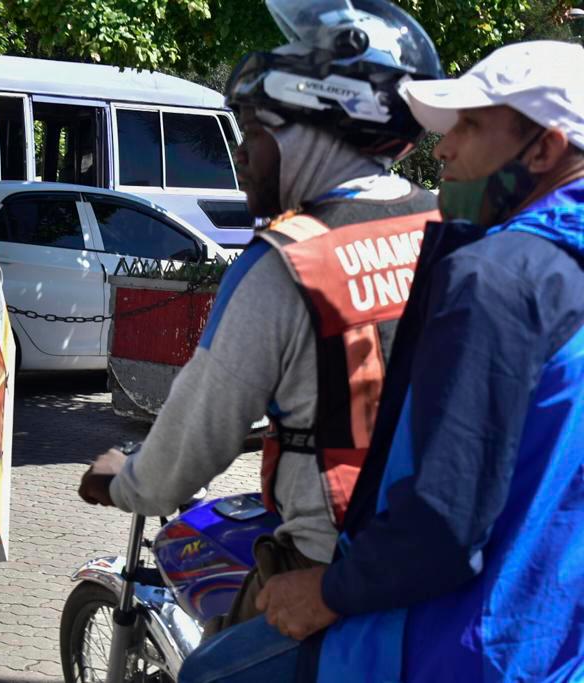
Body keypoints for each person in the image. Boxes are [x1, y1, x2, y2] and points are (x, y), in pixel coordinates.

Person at [183, 40, 584, 682]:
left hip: (444, 646)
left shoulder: (496, 278)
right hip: (549, 643)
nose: (445, 148)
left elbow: (443, 526)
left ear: (544, 148)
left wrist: (325, 592)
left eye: (472, 126)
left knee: (207, 674)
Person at [79, 0, 441, 630]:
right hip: (430, 540)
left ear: (311, 130)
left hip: (329, 561)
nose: (240, 155)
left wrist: (127, 481)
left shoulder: (286, 262)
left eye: (254, 131)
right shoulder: (446, 225)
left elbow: (195, 437)